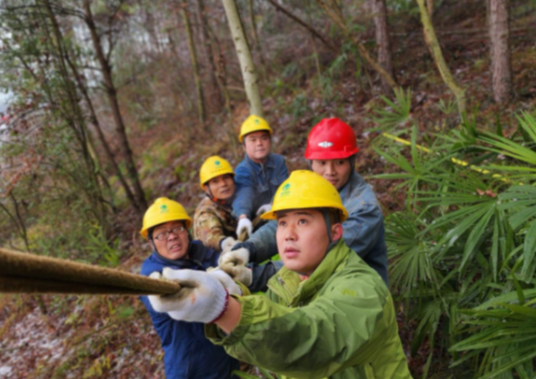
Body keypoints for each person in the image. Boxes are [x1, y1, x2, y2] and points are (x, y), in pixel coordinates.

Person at [147, 171, 413, 379]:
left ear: (335, 233)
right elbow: (276, 335)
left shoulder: (362, 288)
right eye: (283, 222)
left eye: (303, 221)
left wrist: (224, 308)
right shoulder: (289, 280)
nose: (289, 233)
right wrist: (237, 293)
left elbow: (312, 338)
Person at [222, 117, 389, 285]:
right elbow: (283, 223)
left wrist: (256, 276)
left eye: (339, 162)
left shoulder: (364, 208)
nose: (330, 172)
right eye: (322, 163)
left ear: (352, 162)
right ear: (311, 163)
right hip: (324, 294)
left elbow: (326, 259)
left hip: (361, 298)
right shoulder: (311, 188)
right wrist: (249, 249)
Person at [139, 197, 241, 379]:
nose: (171, 236)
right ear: (151, 242)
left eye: (177, 228)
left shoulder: (201, 252)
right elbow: (186, 299)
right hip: (192, 368)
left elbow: (235, 270)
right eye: (161, 234)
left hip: (226, 355)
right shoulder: (152, 276)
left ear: (187, 231)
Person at [193, 156, 283, 291]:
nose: (223, 184)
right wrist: (224, 243)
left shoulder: (239, 196)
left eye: (226, 178)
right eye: (215, 181)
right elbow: (210, 235)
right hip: (217, 266)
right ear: (206, 188)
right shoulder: (206, 212)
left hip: (245, 255)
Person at [232, 115, 289, 238]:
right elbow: (243, 193)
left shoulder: (278, 162)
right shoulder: (243, 170)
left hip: (282, 215)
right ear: (244, 146)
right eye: (252, 140)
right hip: (257, 227)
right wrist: (243, 217)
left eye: (264, 138)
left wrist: (273, 204)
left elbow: (286, 187)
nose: (259, 143)